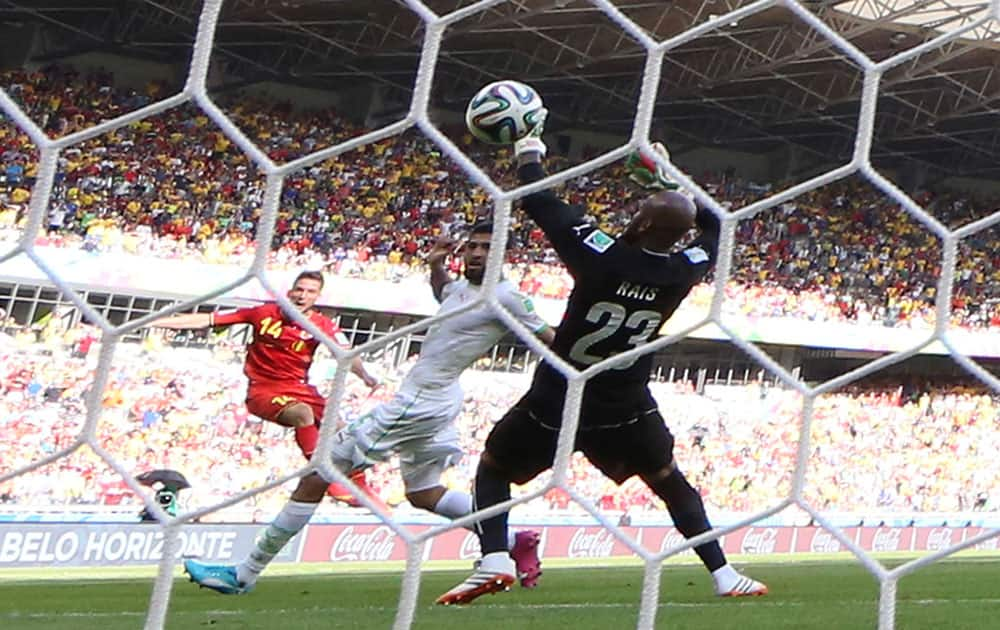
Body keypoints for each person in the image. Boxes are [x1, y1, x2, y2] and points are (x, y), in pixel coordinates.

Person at [437, 117, 768, 605]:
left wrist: (529, 148)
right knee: (667, 480)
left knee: (494, 467)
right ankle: (724, 575)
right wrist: (670, 179)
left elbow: (538, 197)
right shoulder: (684, 269)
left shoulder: (602, 254)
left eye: (641, 212)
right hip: (625, 399)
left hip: (562, 390)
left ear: (642, 224)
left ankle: (493, 560)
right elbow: (719, 227)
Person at [184, 223, 556, 595]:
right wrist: (436, 263)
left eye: (487, 248)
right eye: (472, 246)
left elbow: (549, 337)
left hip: (418, 403)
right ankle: (510, 542)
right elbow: (443, 290)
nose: (476, 253)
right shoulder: (462, 290)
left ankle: (243, 574)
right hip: (439, 401)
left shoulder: (507, 297)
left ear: (504, 254)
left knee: (318, 475)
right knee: (424, 493)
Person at [150, 270, 383, 507]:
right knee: (303, 414)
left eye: (310, 292)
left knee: (345, 432)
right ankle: (322, 475)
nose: (302, 295)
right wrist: (152, 321)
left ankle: (360, 486)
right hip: (265, 391)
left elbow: (345, 354)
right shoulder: (262, 313)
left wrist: (364, 374)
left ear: (317, 297)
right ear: (290, 291)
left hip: (300, 389)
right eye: (299, 289)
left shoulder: (322, 325)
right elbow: (207, 319)